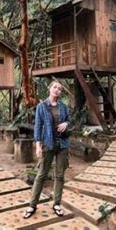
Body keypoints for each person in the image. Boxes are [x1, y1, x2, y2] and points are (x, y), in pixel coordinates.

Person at [23, 80, 71, 219]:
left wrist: (66, 124)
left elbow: (69, 120)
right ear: (50, 89)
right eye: (55, 87)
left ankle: (56, 203)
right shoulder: (41, 106)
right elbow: (38, 127)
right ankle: (32, 205)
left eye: (60, 89)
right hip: (47, 144)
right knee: (41, 175)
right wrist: (38, 146)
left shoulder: (63, 106)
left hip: (62, 144)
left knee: (60, 176)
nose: (57, 90)